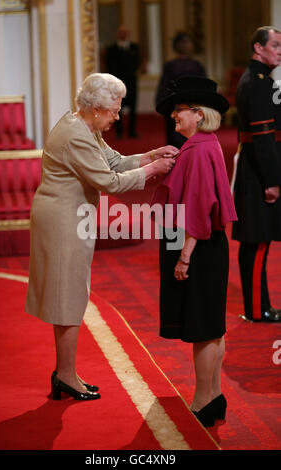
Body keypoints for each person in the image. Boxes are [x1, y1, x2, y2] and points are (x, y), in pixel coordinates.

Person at [25, 73, 178, 401]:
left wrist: (149, 155)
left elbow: (113, 161)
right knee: (68, 297)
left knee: (70, 295)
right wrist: (151, 171)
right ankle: (65, 375)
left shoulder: (83, 125)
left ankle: (66, 372)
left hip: (68, 215)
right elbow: (109, 182)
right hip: (63, 220)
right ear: (94, 108)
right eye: (113, 110)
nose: (118, 115)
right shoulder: (77, 134)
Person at [152, 76, 237, 427]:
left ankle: (203, 400)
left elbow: (199, 207)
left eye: (178, 110)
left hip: (195, 245)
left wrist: (185, 256)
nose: (173, 115)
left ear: (198, 114)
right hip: (208, 244)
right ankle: (214, 395)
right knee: (212, 326)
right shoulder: (206, 143)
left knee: (202, 327)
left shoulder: (198, 149)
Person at [232, 26, 281, 322]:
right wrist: (273, 181)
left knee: (255, 242)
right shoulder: (259, 82)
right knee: (258, 242)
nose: (279, 50)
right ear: (258, 48)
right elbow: (263, 138)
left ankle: (257, 305)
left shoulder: (255, 79)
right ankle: (257, 309)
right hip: (258, 175)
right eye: (275, 45)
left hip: (252, 171)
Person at [156, 31, 206, 148]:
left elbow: (163, 88)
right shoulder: (196, 65)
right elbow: (205, 88)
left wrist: (161, 105)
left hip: (175, 109)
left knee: (175, 145)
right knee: (192, 143)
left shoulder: (170, 66)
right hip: (193, 109)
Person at [106, 26, 140, 138]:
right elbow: (108, 66)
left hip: (131, 82)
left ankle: (132, 132)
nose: (123, 35)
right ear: (118, 34)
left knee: (133, 108)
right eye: (121, 33)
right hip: (116, 84)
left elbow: (138, 63)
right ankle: (119, 132)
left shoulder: (135, 48)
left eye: (125, 33)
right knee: (116, 107)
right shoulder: (111, 49)